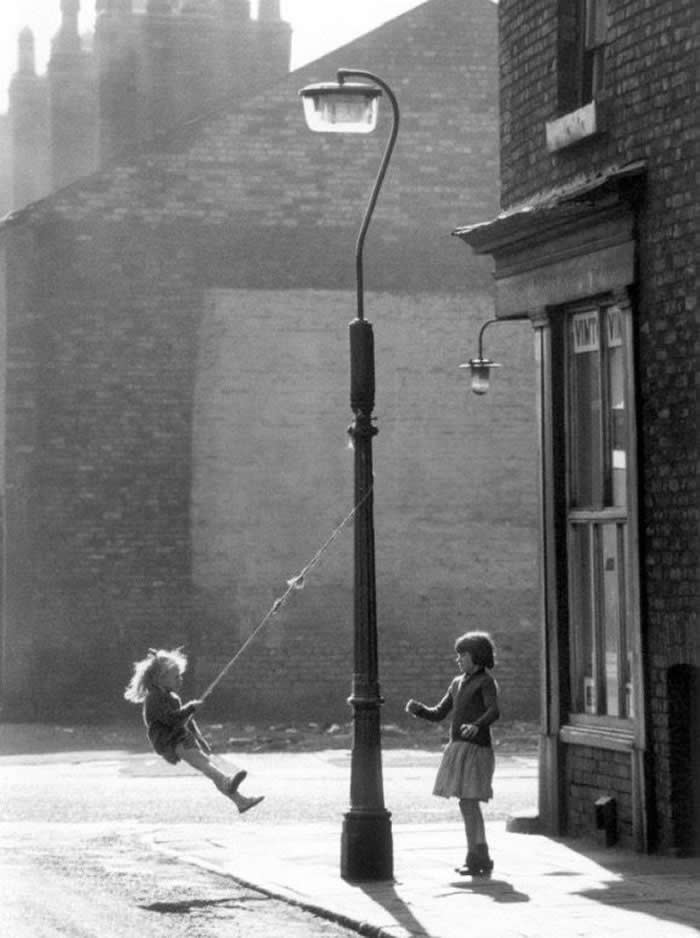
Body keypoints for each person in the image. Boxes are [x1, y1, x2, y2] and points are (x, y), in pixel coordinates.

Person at [124, 647, 264, 814]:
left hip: (180, 737)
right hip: (169, 740)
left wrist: (198, 736)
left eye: (180, 676)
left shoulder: (172, 697)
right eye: (176, 677)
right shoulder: (154, 698)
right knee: (203, 763)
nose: (180, 680)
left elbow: (186, 721)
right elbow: (171, 719)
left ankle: (240, 801)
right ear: (159, 679)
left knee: (205, 764)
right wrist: (190, 708)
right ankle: (227, 781)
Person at [406, 630, 499, 875]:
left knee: (469, 802)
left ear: (476, 656)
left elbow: (494, 711)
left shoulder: (485, 682)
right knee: (467, 804)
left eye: (463, 655)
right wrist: (420, 710)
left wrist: (476, 725)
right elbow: (439, 712)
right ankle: (479, 854)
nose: (458, 659)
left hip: (477, 749)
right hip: (458, 748)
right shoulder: (456, 683)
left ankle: (477, 856)